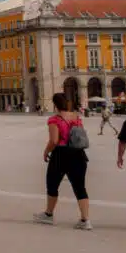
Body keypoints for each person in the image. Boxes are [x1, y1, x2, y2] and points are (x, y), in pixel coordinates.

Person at [34, 93, 91, 230]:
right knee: (80, 187)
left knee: (52, 184)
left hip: (61, 155)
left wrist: (46, 151)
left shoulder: (54, 120)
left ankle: (48, 215)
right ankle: (85, 220)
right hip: (78, 154)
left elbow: (54, 140)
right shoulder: (76, 117)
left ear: (55, 104)